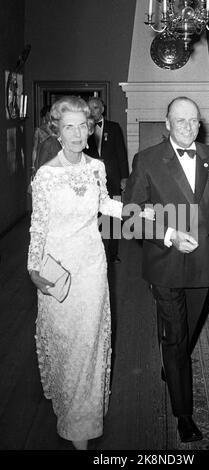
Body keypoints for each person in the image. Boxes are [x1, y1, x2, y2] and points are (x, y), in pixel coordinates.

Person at [122, 97, 209, 443]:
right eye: (180, 121)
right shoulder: (147, 160)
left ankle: (172, 356)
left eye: (193, 120)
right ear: (167, 124)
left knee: (186, 332)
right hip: (165, 262)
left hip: (205, 263)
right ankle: (184, 414)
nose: (188, 127)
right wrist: (167, 234)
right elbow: (130, 217)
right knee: (177, 337)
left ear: (201, 123)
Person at [27, 96, 124, 451]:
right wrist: (33, 269)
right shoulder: (46, 175)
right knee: (67, 343)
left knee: (89, 341)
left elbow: (106, 204)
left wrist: (143, 212)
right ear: (56, 130)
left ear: (91, 127)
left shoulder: (97, 167)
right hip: (57, 267)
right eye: (69, 126)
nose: (77, 133)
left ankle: (80, 425)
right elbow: (38, 227)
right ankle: (69, 405)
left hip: (92, 265)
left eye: (83, 125)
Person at [86, 96, 129, 263]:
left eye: (95, 108)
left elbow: (121, 154)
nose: (92, 112)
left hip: (112, 178)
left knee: (114, 216)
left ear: (102, 109)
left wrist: (124, 177)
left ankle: (113, 254)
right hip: (91, 179)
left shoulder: (114, 127)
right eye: (89, 109)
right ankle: (94, 252)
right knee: (93, 214)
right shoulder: (84, 129)